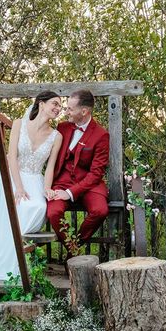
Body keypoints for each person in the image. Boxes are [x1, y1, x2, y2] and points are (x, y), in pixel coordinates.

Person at [0, 91, 63, 280]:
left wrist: (46, 188)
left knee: (36, 206)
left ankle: (18, 259)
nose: (58, 109)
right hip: (14, 177)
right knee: (18, 205)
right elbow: (11, 157)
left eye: (60, 106)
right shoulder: (19, 124)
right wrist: (18, 187)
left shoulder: (56, 136)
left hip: (35, 179)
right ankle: (6, 262)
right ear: (41, 104)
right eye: (55, 103)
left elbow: (50, 166)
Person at [47, 89, 109, 256]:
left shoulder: (101, 135)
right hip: (62, 181)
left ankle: (74, 249)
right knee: (53, 212)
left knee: (100, 210)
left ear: (84, 111)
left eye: (70, 109)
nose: (65, 112)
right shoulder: (62, 128)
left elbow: (96, 173)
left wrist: (70, 193)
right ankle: (74, 251)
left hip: (89, 184)